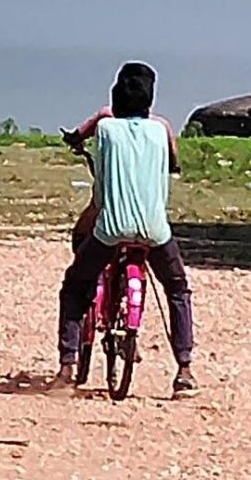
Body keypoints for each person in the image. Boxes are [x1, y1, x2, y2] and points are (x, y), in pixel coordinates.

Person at [54, 61, 195, 397]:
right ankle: (185, 369)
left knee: (75, 284)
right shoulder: (161, 129)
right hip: (155, 232)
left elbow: (101, 190)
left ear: (116, 98)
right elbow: (172, 167)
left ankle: (67, 366)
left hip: (110, 228)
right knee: (176, 288)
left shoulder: (105, 128)